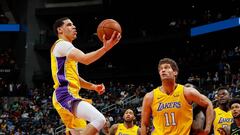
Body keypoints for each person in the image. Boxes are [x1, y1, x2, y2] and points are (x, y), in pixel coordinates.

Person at [51, 17, 121, 135]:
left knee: (85, 132)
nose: (74, 27)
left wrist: (93, 87)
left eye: (73, 24)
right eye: (69, 25)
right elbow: (85, 59)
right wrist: (105, 48)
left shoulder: (66, 50)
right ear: (60, 30)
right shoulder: (62, 45)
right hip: (65, 94)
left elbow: (76, 78)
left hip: (68, 94)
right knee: (99, 119)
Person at [141, 58, 214, 135]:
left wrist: (207, 129)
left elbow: (208, 104)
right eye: (161, 69)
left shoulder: (187, 92)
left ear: (175, 72)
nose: (163, 70)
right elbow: (144, 124)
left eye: (166, 67)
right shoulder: (150, 97)